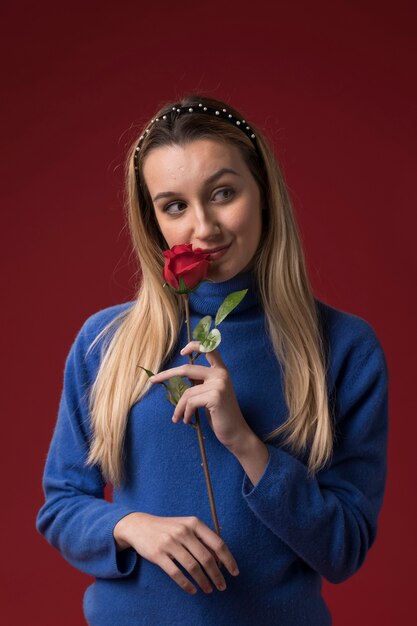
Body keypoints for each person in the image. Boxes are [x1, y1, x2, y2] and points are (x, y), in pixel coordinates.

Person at [36, 94, 389, 626]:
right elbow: (61, 506)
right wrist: (132, 525)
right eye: (174, 205)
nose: (204, 227)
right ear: (153, 220)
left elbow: (344, 549)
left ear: (263, 192)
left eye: (223, 193)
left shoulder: (344, 348)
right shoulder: (104, 341)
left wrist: (247, 443)